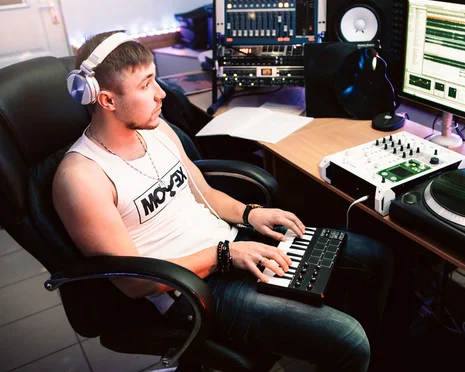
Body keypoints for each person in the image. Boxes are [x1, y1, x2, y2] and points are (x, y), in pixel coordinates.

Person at [53, 31, 394, 371]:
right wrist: (223, 255)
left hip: (231, 245)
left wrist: (249, 214)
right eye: (145, 86)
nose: (160, 95)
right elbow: (134, 282)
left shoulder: (154, 129)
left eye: (155, 79)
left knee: (375, 257)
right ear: (107, 100)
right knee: (348, 340)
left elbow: (205, 194)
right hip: (189, 290)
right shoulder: (82, 178)